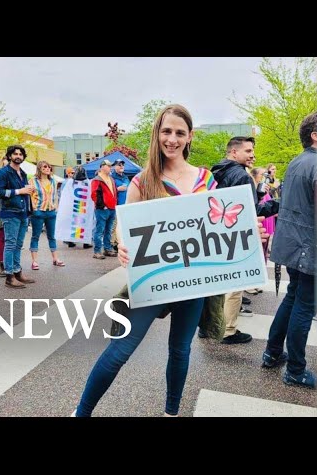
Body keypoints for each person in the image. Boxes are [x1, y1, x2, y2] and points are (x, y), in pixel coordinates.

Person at [73, 104, 219, 416]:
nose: (172, 139)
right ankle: (81, 413)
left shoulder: (206, 179)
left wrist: (249, 231)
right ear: (157, 134)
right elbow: (124, 223)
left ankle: (171, 412)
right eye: (166, 131)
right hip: (153, 277)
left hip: (194, 280)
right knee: (120, 350)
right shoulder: (143, 181)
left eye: (179, 132)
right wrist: (123, 244)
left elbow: (219, 225)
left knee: (180, 350)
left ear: (189, 136)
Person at [262, 111, 317, 389]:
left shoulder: (298, 162)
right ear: (316, 135)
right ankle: (296, 370)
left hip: (294, 244)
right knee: (304, 305)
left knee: (293, 297)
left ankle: (272, 352)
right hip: (313, 247)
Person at [210, 136, 261, 344]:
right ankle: (228, 330)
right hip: (235, 234)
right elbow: (251, 210)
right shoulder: (242, 176)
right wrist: (275, 205)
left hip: (216, 232)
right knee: (235, 284)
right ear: (233, 152)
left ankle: (209, 326)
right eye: (248, 151)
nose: (252, 155)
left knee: (217, 285)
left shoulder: (215, 172)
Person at [0, 145, 36, 288]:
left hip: (23, 212)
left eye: (20, 154)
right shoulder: (3, 172)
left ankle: (17, 272)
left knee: (18, 245)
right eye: (15, 154)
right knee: (10, 244)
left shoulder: (23, 173)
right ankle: (9, 276)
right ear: (9, 156)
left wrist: (29, 190)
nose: (18, 156)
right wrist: (19, 191)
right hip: (10, 213)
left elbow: (24, 191)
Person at [29, 160, 65, 268]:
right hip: (38, 211)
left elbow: (55, 195)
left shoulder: (53, 181)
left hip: (51, 211)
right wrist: (34, 208)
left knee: (52, 236)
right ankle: (34, 261)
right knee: (35, 236)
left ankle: (55, 258)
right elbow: (29, 196)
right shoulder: (33, 181)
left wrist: (56, 207)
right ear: (39, 169)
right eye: (45, 167)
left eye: (49, 167)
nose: (47, 168)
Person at [90, 159, 118, 260]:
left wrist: (114, 204)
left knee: (108, 230)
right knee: (100, 230)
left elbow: (114, 192)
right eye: (108, 166)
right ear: (102, 167)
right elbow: (94, 194)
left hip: (111, 208)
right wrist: (102, 206)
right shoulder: (97, 179)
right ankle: (97, 251)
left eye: (110, 166)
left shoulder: (111, 179)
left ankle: (107, 248)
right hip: (102, 209)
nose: (110, 167)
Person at [110, 158, 130, 251]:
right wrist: (117, 189)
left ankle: (121, 242)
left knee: (123, 225)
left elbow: (129, 187)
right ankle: (113, 243)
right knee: (115, 225)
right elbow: (109, 190)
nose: (121, 166)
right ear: (114, 166)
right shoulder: (111, 178)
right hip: (116, 205)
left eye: (122, 164)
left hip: (126, 205)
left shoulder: (125, 177)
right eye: (119, 164)